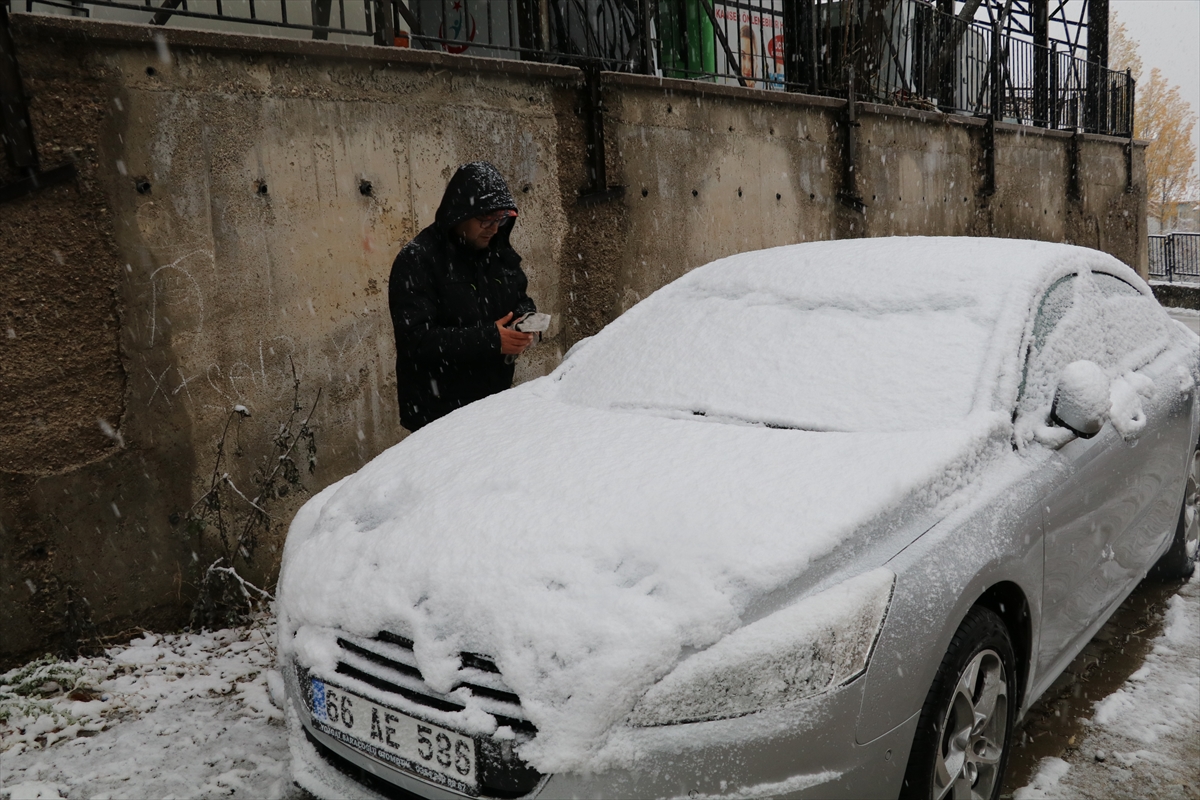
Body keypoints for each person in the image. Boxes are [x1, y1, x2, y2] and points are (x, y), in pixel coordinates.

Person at [388, 162, 537, 431]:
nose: (493, 228)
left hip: (491, 405)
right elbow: (416, 340)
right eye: (486, 219)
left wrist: (525, 322)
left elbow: (520, 298)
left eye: (501, 219)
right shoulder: (418, 260)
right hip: (437, 414)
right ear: (460, 215)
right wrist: (491, 339)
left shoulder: (498, 255)